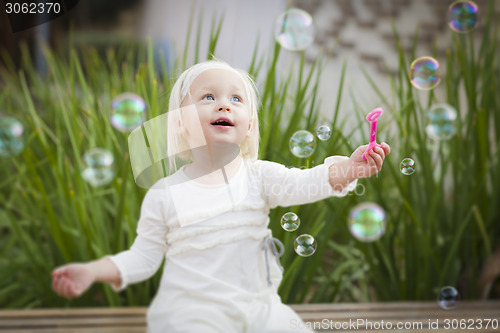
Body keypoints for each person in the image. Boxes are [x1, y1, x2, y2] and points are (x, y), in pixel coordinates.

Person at [52, 60, 391, 332]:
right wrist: (92, 271)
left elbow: (305, 182)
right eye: (208, 97)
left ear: (250, 127)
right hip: (192, 315)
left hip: (259, 309)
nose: (224, 106)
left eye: (236, 99)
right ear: (180, 124)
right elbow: (143, 258)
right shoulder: (165, 194)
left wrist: (349, 168)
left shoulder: (259, 176)